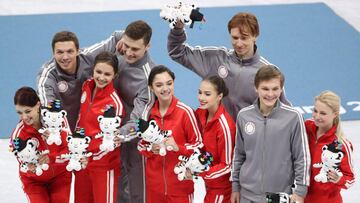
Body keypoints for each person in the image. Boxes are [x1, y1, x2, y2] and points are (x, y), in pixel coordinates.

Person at [167, 12, 290, 120]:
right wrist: (178, 28)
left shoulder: (267, 72)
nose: (239, 43)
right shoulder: (217, 59)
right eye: (235, 38)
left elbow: (285, 113)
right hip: (217, 138)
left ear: (255, 36)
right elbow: (177, 52)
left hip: (249, 141)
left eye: (244, 38)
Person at [231, 65, 310, 203]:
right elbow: (239, 154)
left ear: (281, 89)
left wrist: (300, 191)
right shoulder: (244, 116)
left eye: (275, 89)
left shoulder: (293, 117)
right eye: (265, 88)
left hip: (280, 195)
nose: (270, 94)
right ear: (256, 88)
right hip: (247, 195)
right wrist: (235, 187)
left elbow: (301, 156)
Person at [137, 65, 203, 203]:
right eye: (159, 85)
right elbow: (140, 145)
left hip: (181, 188)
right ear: (151, 88)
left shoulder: (185, 112)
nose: (165, 89)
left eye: (169, 83)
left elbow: (199, 146)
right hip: (154, 189)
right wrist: (150, 149)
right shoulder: (147, 114)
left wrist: (178, 147)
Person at [37, 30, 122, 133]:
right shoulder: (47, 75)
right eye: (60, 52)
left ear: (78, 51)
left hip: (87, 129)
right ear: (53, 53)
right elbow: (48, 107)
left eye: (70, 51)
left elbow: (117, 37)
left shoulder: (88, 56)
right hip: (62, 130)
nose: (65, 57)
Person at [113, 20, 156, 203]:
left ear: (147, 46)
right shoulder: (118, 41)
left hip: (130, 137)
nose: (128, 52)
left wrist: (116, 135)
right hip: (110, 128)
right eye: (127, 46)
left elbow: (138, 120)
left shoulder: (148, 78)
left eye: (135, 49)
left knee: (134, 187)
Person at [75, 51, 124, 203]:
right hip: (81, 162)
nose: (101, 77)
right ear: (93, 70)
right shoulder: (86, 87)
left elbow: (113, 140)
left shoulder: (115, 103)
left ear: (115, 75)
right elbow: (80, 120)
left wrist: (91, 158)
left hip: (104, 166)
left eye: (107, 74)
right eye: (98, 72)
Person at [9, 87, 71, 203]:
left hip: (60, 176)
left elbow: (69, 150)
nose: (24, 117)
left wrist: (51, 158)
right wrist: (29, 166)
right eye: (19, 113)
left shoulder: (57, 119)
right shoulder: (18, 134)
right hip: (34, 182)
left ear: (38, 105)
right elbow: (21, 160)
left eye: (27, 111)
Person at [304, 90, 355, 203]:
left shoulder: (341, 144)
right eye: (315, 111)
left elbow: (350, 178)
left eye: (323, 113)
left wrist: (339, 179)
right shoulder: (306, 126)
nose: (317, 116)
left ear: (335, 114)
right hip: (301, 198)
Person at [194, 75, 236, 203]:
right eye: (199, 92)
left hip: (222, 190)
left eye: (207, 94)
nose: (201, 98)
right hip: (210, 185)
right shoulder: (200, 114)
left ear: (219, 96)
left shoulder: (225, 127)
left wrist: (199, 172)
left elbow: (227, 165)